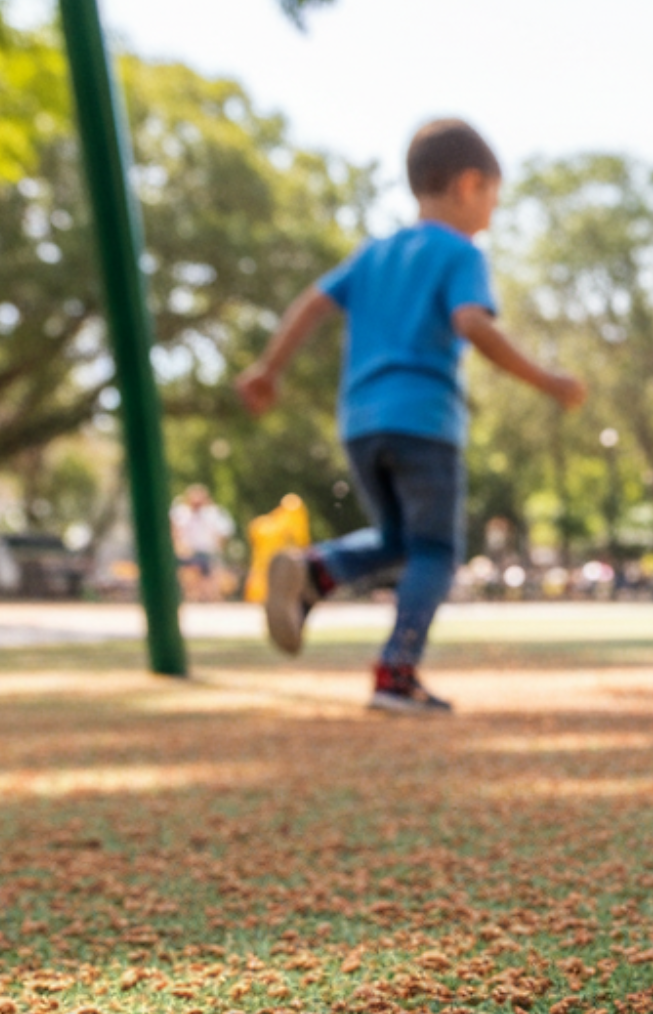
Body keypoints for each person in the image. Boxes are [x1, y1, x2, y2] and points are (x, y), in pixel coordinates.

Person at [235, 119, 585, 715]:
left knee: (398, 539)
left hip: (361, 422)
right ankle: (396, 673)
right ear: (470, 184)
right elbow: (472, 324)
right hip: (423, 419)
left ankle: (316, 570)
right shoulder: (460, 253)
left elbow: (312, 304)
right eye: (494, 198)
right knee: (434, 551)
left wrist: (269, 369)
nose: (493, 213)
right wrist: (547, 381)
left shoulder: (375, 253)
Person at [170, 484, 233, 600]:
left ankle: (209, 595)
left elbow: (224, 531)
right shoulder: (181, 513)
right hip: (187, 551)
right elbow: (174, 530)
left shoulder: (212, 513)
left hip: (206, 550)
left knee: (210, 570)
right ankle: (191, 594)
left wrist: (219, 546)